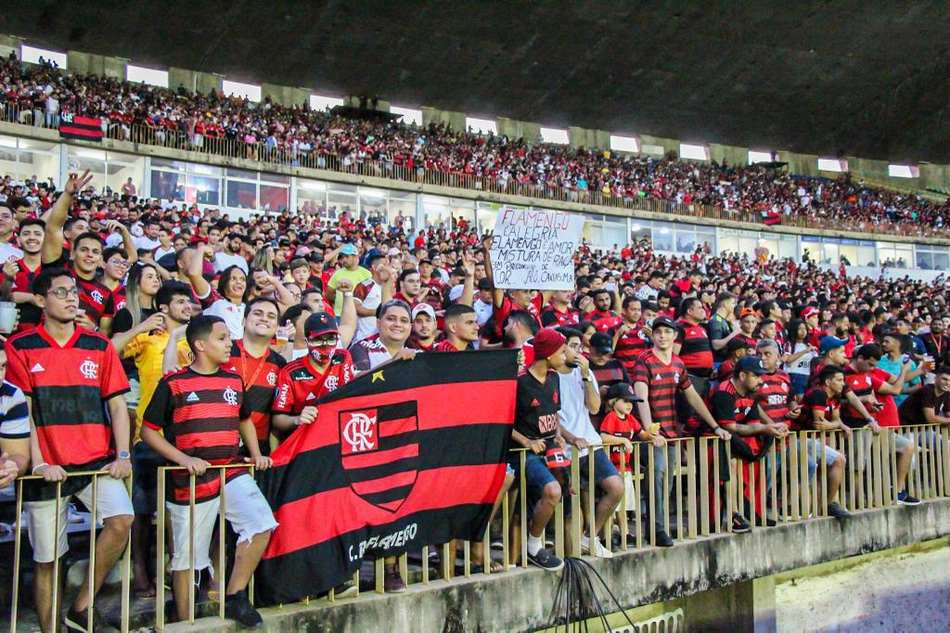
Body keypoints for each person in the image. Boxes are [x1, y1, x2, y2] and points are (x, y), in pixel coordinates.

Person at [6, 267, 133, 632]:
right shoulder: (20, 347)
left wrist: (122, 455)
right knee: (48, 559)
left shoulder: (99, 345)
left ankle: (81, 606)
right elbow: (23, 413)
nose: (71, 298)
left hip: (94, 462)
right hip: (45, 468)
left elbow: (117, 406)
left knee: (122, 520)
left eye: (74, 291)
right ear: (40, 300)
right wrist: (39, 462)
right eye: (61, 292)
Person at [141, 315, 277, 627]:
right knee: (187, 557)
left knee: (261, 524)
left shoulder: (233, 380)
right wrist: (182, 459)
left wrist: (256, 454)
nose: (230, 344)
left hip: (230, 469)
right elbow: (149, 431)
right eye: (222, 338)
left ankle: (234, 595)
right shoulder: (173, 383)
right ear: (200, 345)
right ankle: (185, 622)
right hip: (189, 479)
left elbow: (244, 419)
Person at [116, 281, 193, 599]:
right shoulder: (147, 337)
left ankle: (177, 572)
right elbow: (110, 351)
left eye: (189, 301)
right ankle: (140, 572)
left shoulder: (196, 340)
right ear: (163, 307)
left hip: (187, 439)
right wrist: (142, 326)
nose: (187, 306)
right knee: (143, 510)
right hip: (150, 436)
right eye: (180, 301)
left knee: (181, 510)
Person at [632, 316, 730, 547]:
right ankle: (657, 528)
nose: (662, 336)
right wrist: (649, 430)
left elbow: (692, 396)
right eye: (658, 332)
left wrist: (715, 425)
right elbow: (640, 396)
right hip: (650, 432)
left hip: (671, 432)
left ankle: (659, 525)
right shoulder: (644, 360)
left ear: (675, 336)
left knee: (667, 480)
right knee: (657, 474)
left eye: (667, 332)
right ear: (652, 335)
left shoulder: (678, 363)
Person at [553, 327, 623, 558]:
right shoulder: (550, 375)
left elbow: (594, 407)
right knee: (572, 505)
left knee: (616, 487)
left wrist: (586, 375)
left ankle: (589, 537)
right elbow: (551, 416)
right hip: (566, 448)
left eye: (580, 347)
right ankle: (570, 555)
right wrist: (570, 437)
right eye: (573, 346)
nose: (579, 352)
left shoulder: (584, 372)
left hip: (590, 442)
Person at [509, 328, 567, 571]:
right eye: (562, 352)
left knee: (565, 490)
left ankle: (529, 545)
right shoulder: (520, 382)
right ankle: (534, 547)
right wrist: (526, 442)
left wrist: (559, 435)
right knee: (552, 491)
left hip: (550, 447)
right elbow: (503, 421)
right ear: (549, 354)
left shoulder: (554, 378)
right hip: (525, 452)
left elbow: (554, 412)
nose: (565, 356)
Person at [224, 298, 287, 456]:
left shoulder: (280, 364)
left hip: (259, 455)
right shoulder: (224, 352)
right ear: (244, 321)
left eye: (271, 316)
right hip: (219, 447)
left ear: (277, 327)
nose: (264, 318)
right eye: (258, 313)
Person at [801, 365, 853, 518]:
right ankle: (830, 504)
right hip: (802, 438)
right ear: (828, 382)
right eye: (839, 380)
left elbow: (835, 420)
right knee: (839, 460)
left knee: (827, 467)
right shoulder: (818, 394)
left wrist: (835, 425)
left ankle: (823, 506)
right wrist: (835, 425)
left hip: (815, 440)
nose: (843, 383)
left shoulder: (835, 397)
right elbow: (819, 424)